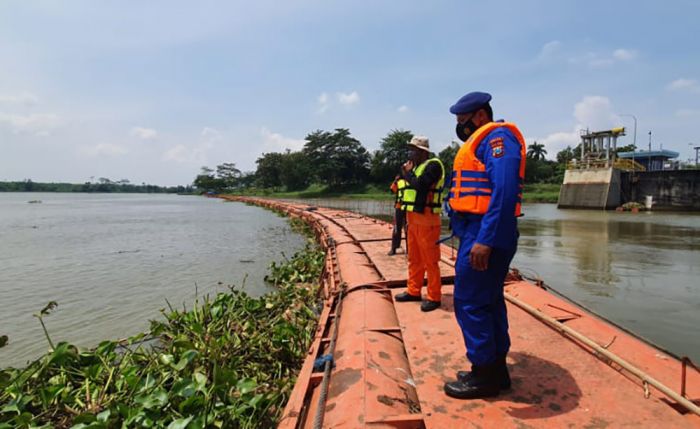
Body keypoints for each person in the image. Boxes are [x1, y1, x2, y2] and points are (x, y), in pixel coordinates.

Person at [442, 92, 526, 399]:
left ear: (479, 116)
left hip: (486, 231)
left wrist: (485, 240)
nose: (460, 126)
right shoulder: (483, 141)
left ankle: (484, 376)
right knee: (488, 301)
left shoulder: (497, 138)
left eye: (462, 120)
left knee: (470, 302)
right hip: (480, 230)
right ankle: (495, 371)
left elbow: (503, 190)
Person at [394, 136, 446, 312]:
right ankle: (413, 290)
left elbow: (421, 186)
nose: (410, 153)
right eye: (410, 149)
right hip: (413, 219)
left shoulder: (433, 165)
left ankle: (434, 296)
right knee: (414, 258)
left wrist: (407, 173)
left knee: (430, 260)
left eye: (414, 150)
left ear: (423, 151)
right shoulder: (415, 167)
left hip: (428, 220)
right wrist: (406, 173)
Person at [388, 175, 408, 255]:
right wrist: (395, 180)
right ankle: (394, 248)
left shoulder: (413, 180)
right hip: (399, 207)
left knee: (408, 229)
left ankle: (409, 249)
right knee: (396, 228)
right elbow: (392, 190)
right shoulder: (398, 182)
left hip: (408, 208)